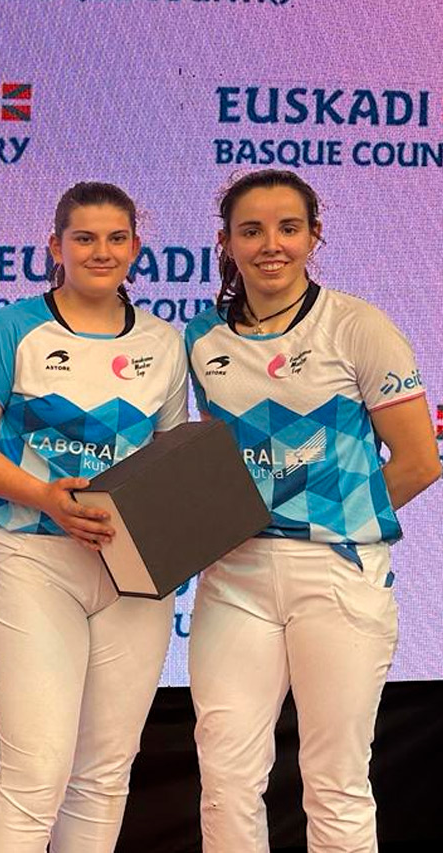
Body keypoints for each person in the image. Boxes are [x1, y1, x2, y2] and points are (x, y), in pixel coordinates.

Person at [185, 169, 440, 853]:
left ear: (314, 236)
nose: (271, 244)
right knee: (226, 778)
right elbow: (198, 458)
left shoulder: (357, 325)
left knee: (335, 780)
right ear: (226, 242)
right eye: (252, 230)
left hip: (338, 570)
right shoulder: (200, 337)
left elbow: (419, 460)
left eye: (288, 228)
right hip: (233, 576)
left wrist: (330, 517)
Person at [0, 182, 188, 852]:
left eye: (116, 238)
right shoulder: (11, 329)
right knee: (33, 777)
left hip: (135, 575)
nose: (100, 252)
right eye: (84, 238)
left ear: (135, 249)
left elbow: (174, 458)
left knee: (104, 776)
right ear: (55, 247)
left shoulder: (164, 343)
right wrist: (47, 496)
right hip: (36, 560)